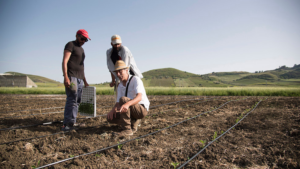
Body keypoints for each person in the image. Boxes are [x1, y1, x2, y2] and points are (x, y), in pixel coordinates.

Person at [107, 60, 150, 136]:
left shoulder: (135, 80)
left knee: (123, 100)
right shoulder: (120, 85)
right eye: (116, 72)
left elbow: (139, 97)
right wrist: (112, 110)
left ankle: (127, 130)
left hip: (141, 109)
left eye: (120, 71)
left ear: (126, 70)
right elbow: (117, 103)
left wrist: (127, 104)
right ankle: (133, 122)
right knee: (110, 118)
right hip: (129, 109)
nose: (118, 74)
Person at [61, 29, 91, 131]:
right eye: (82, 38)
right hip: (72, 77)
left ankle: (72, 122)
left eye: (85, 40)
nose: (83, 41)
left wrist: (85, 81)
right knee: (72, 100)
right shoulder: (70, 45)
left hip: (80, 79)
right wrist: (66, 76)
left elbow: (81, 67)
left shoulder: (82, 50)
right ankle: (66, 124)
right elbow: (65, 61)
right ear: (77, 36)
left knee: (77, 101)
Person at [106, 35, 143, 102]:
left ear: (121, 43)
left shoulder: (125, 50)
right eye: (115, 44)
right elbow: (111, 68)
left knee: (132, 94)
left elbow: (125, 67)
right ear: (111, 44)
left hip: (130, 73)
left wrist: (120, 81)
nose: (117, 46)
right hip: (119, 75)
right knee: (120, 96)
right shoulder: (109, 53)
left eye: (118, 44)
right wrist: (113, 80)